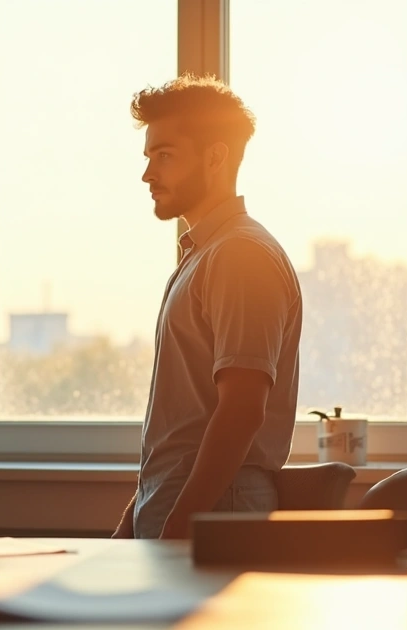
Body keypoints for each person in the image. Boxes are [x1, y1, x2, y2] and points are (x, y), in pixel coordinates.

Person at [113, 74, 303, 539]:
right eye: (149, 156)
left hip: (214, 512)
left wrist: (180, 527)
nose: (147, 174)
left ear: (215, 156)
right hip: (184, 507)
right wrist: (132, 525)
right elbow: (184, 424)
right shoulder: (205, 253)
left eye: (164, 155)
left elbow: (241, 410)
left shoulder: (241, 256)